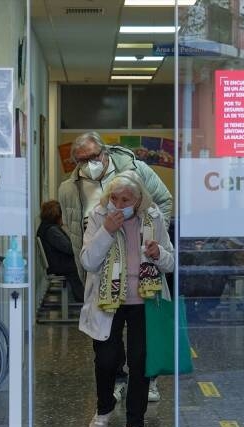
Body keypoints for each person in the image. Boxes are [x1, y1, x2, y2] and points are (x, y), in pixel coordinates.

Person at [58, 131, 173, 402]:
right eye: (81, 160)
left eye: (93, 157)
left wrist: (152, 236)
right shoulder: (69, 189)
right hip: (101, 264)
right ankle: (118, 381)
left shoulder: (136, 169)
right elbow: (75, 232)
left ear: (105, 152)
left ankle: (147, 382)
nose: (88, 164)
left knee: (143, 340)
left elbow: (163, 201)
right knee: (108, 337)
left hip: (140, 267)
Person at [78, 171, 174, 427]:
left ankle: (135, 423)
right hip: (107, 301)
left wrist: (159, 254)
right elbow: (88, 261)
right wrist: (107, 231)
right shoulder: (98, 217)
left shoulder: (153, 218)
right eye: (115, 198)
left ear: (139, 200)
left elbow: (171, 262)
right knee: (106, 360)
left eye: (126, 199)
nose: (119, 204)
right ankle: (104, 409)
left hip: (144, 301)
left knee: (141, 362)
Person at [37, 200, 84, 302]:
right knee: (82, 264)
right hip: (59, 265)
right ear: (57, 216)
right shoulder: (52, 230)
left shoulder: (46, 227)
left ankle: (82, 296)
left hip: (55, 263)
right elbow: (69, 248)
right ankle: (82, 297)